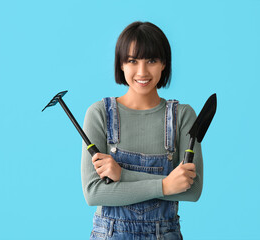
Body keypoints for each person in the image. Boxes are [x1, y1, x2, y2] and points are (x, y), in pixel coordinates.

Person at [81, 21, 203, 240]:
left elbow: (191, 191)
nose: (142, 71)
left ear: (164, 63)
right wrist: (166, 185)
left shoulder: (182, 116)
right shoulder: (99, 114)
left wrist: (123, 176)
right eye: (132, 61)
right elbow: (94, 193)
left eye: (152, 60)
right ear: (121, 64)